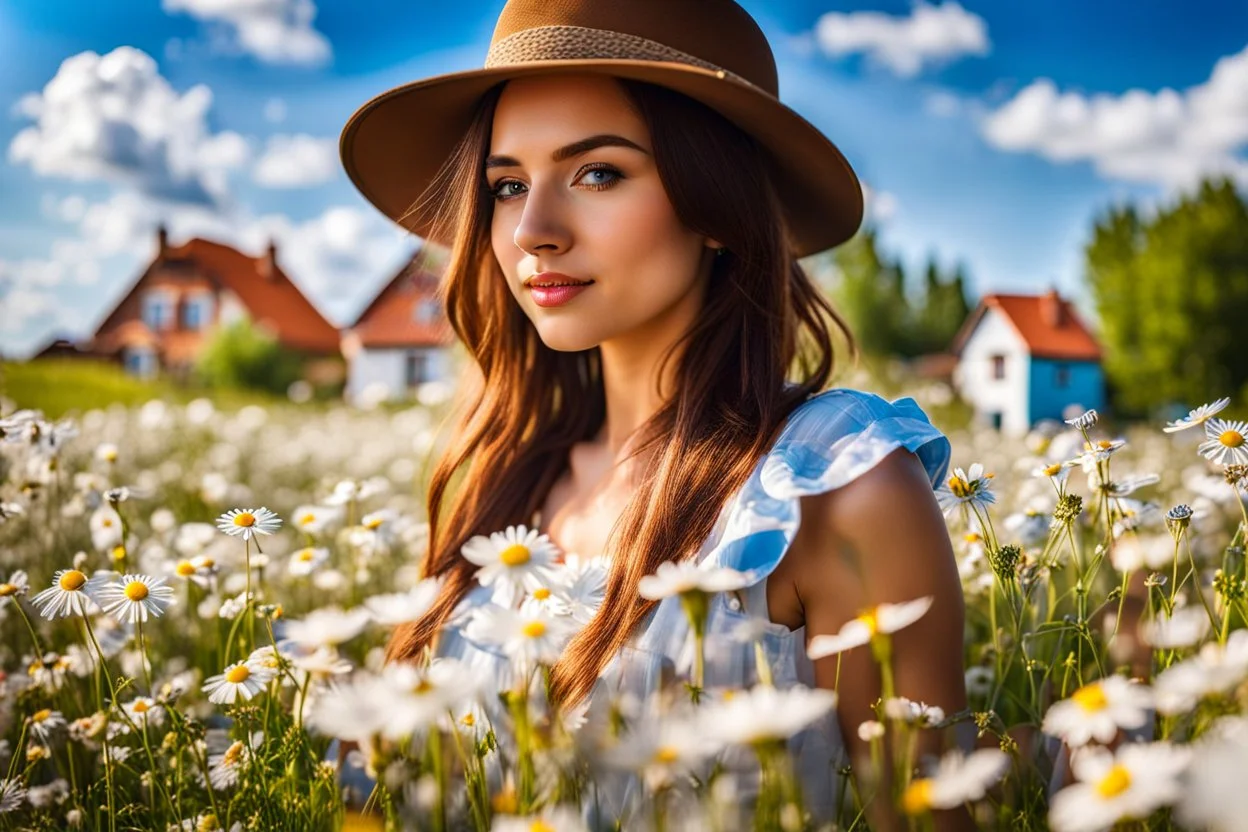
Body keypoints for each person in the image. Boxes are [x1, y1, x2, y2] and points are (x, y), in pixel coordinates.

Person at [338, 0, 970, 828]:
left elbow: (924, 814)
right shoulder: (502, 481)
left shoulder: (838, 486)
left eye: (598, 172)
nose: (534, 230)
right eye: (507, 185)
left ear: (717, 205)